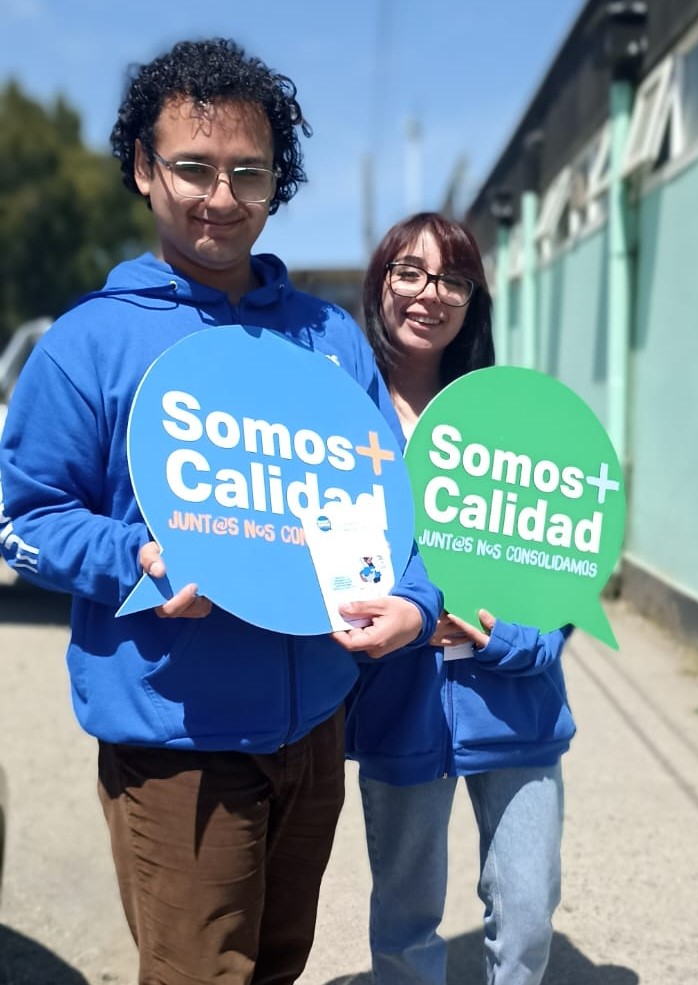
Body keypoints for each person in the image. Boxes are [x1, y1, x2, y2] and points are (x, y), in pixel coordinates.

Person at [0, 41, 441, 985]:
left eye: (249, 171)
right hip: (178, 743)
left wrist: (415, 600)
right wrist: (137, 556)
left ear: (278, 180)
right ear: (143, 167)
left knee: (277, 964)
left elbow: (391, 505)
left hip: (313, 728)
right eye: (193, 167)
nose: (221, 196)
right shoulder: (88, 343)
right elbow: (26, 520)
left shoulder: (327, 338)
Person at [345, 212, 576, 985]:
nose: (429, 294)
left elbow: (564, 562)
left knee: (527, 910)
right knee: (403, 915)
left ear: (473, 299)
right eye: (408, 272)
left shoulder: (513, 417)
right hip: (397, 711)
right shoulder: (341, 418)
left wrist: (504, 639)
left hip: (517, 711)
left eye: (452, 279)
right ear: (379, 283)